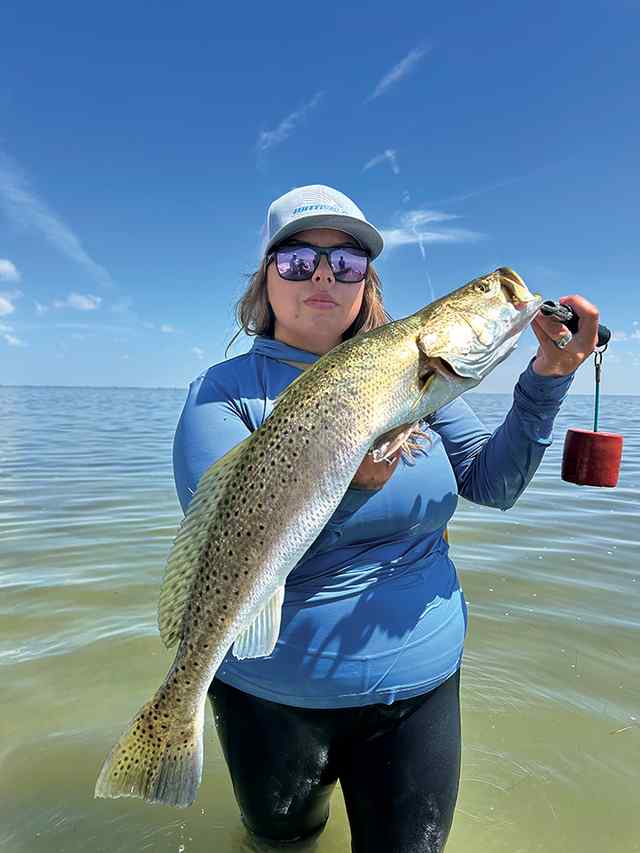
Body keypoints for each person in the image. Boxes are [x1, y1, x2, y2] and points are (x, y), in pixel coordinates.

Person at [172, 185, 599, 852]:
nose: (322, 274)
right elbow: (226, 545)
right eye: (296, 260)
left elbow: (495, 483)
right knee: (279, 844)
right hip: (270, 694)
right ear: (265, 277)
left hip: (420, 684)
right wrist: (350, 486)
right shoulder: (219, 392)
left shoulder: (417, 373)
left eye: (346, 261)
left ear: (366, 281)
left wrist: (548, 376)